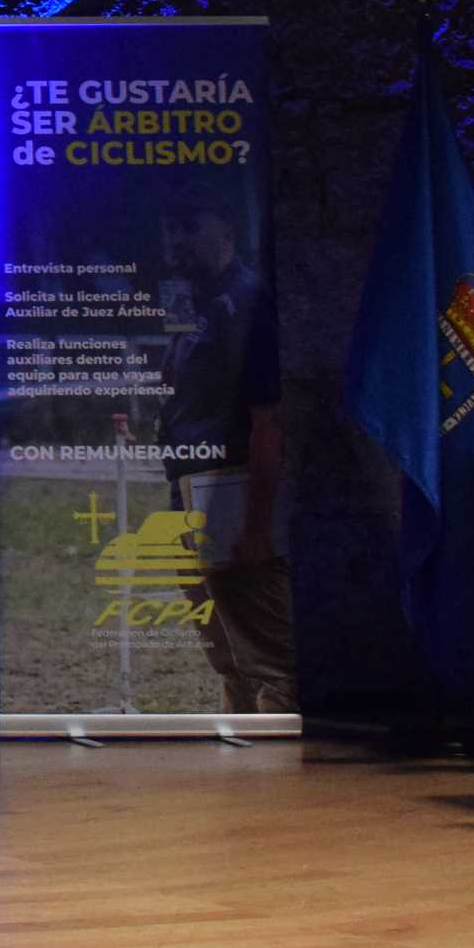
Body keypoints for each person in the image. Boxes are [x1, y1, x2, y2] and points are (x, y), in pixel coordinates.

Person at [156, 197, 294, 713]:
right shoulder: (191, 300)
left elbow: (269, 420)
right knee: (225, 650)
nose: (178, 241)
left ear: (228, 231)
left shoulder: (248, 302)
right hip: (187, 486)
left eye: (191, 225)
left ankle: (279, 748)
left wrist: (256, 525)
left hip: (230, 488)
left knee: (268, 654)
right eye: (172, 228)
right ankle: (238, 735)